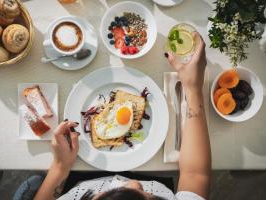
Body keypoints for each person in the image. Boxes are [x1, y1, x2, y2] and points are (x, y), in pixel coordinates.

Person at [13, 32, 211, 200]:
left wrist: (59, 168)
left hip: (76, 178)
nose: (134, 183)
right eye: (150, 196)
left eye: (118, 191)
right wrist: (193, 89)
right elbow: (195, 175)